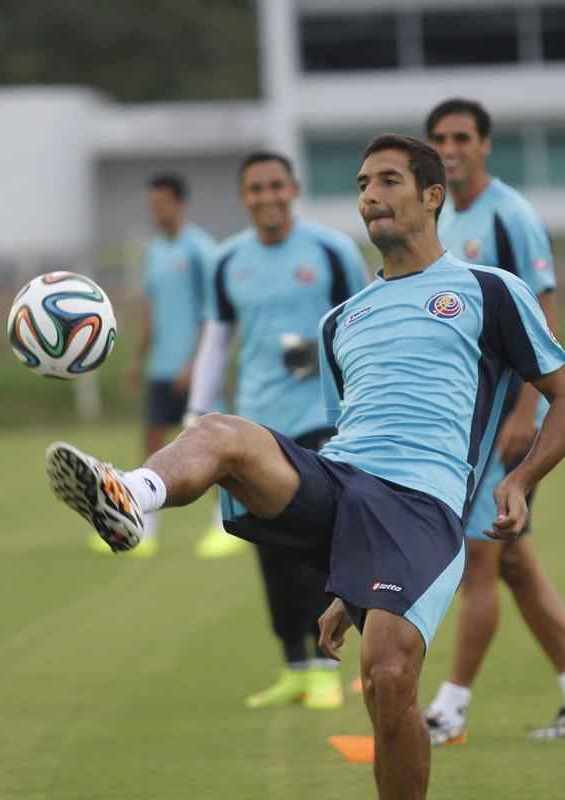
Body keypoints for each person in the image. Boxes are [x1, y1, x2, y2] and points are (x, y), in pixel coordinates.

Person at [44, 134, 565, 800]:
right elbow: (341, 436)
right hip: (342, 485)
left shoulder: (489, 291)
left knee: (388, 680)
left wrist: (520, 478)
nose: (370, 196)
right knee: (221, 430)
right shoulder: (343, 321)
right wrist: (345, 578)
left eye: (388, 181)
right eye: (362, 184)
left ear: (432, 196)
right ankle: (127, 494)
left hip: (423, 508)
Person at [421, 97, 565, 744]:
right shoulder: (436, 214)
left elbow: (544, 316)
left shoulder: (512, 215)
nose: (451, 146)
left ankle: (448, 711)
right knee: (514, 564)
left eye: (462, 136)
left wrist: (528, 410)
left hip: (502, 424)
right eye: (440, 137)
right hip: (461, 423)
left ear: (485, 144)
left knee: (480, 559)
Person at [182, 151, 368, 708]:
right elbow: (218, 338)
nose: (267, 197)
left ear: (294, 188)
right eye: (256, 189)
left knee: (317, 545)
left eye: (275, 186)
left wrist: (356, 403)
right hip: (254, 422)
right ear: (244, 197)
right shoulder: (227, 259)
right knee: (267, 547)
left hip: (322, 421)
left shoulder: (331, 250)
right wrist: (197, 414)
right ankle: (294, 664)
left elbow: (362, 322)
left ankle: (326, 671)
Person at [114, 173, 221, 558]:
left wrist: (196, 364)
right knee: (152, 442)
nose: (154, 210)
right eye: (151, 203)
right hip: (161, 368)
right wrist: (138, 360)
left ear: (178, 203)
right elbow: (151, 311)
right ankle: (145, 524)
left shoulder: (200, 250)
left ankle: (222, 525)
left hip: (195, 370)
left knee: (208, 450)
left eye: (160, 202)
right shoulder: (154, 252)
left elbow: (213, 314)